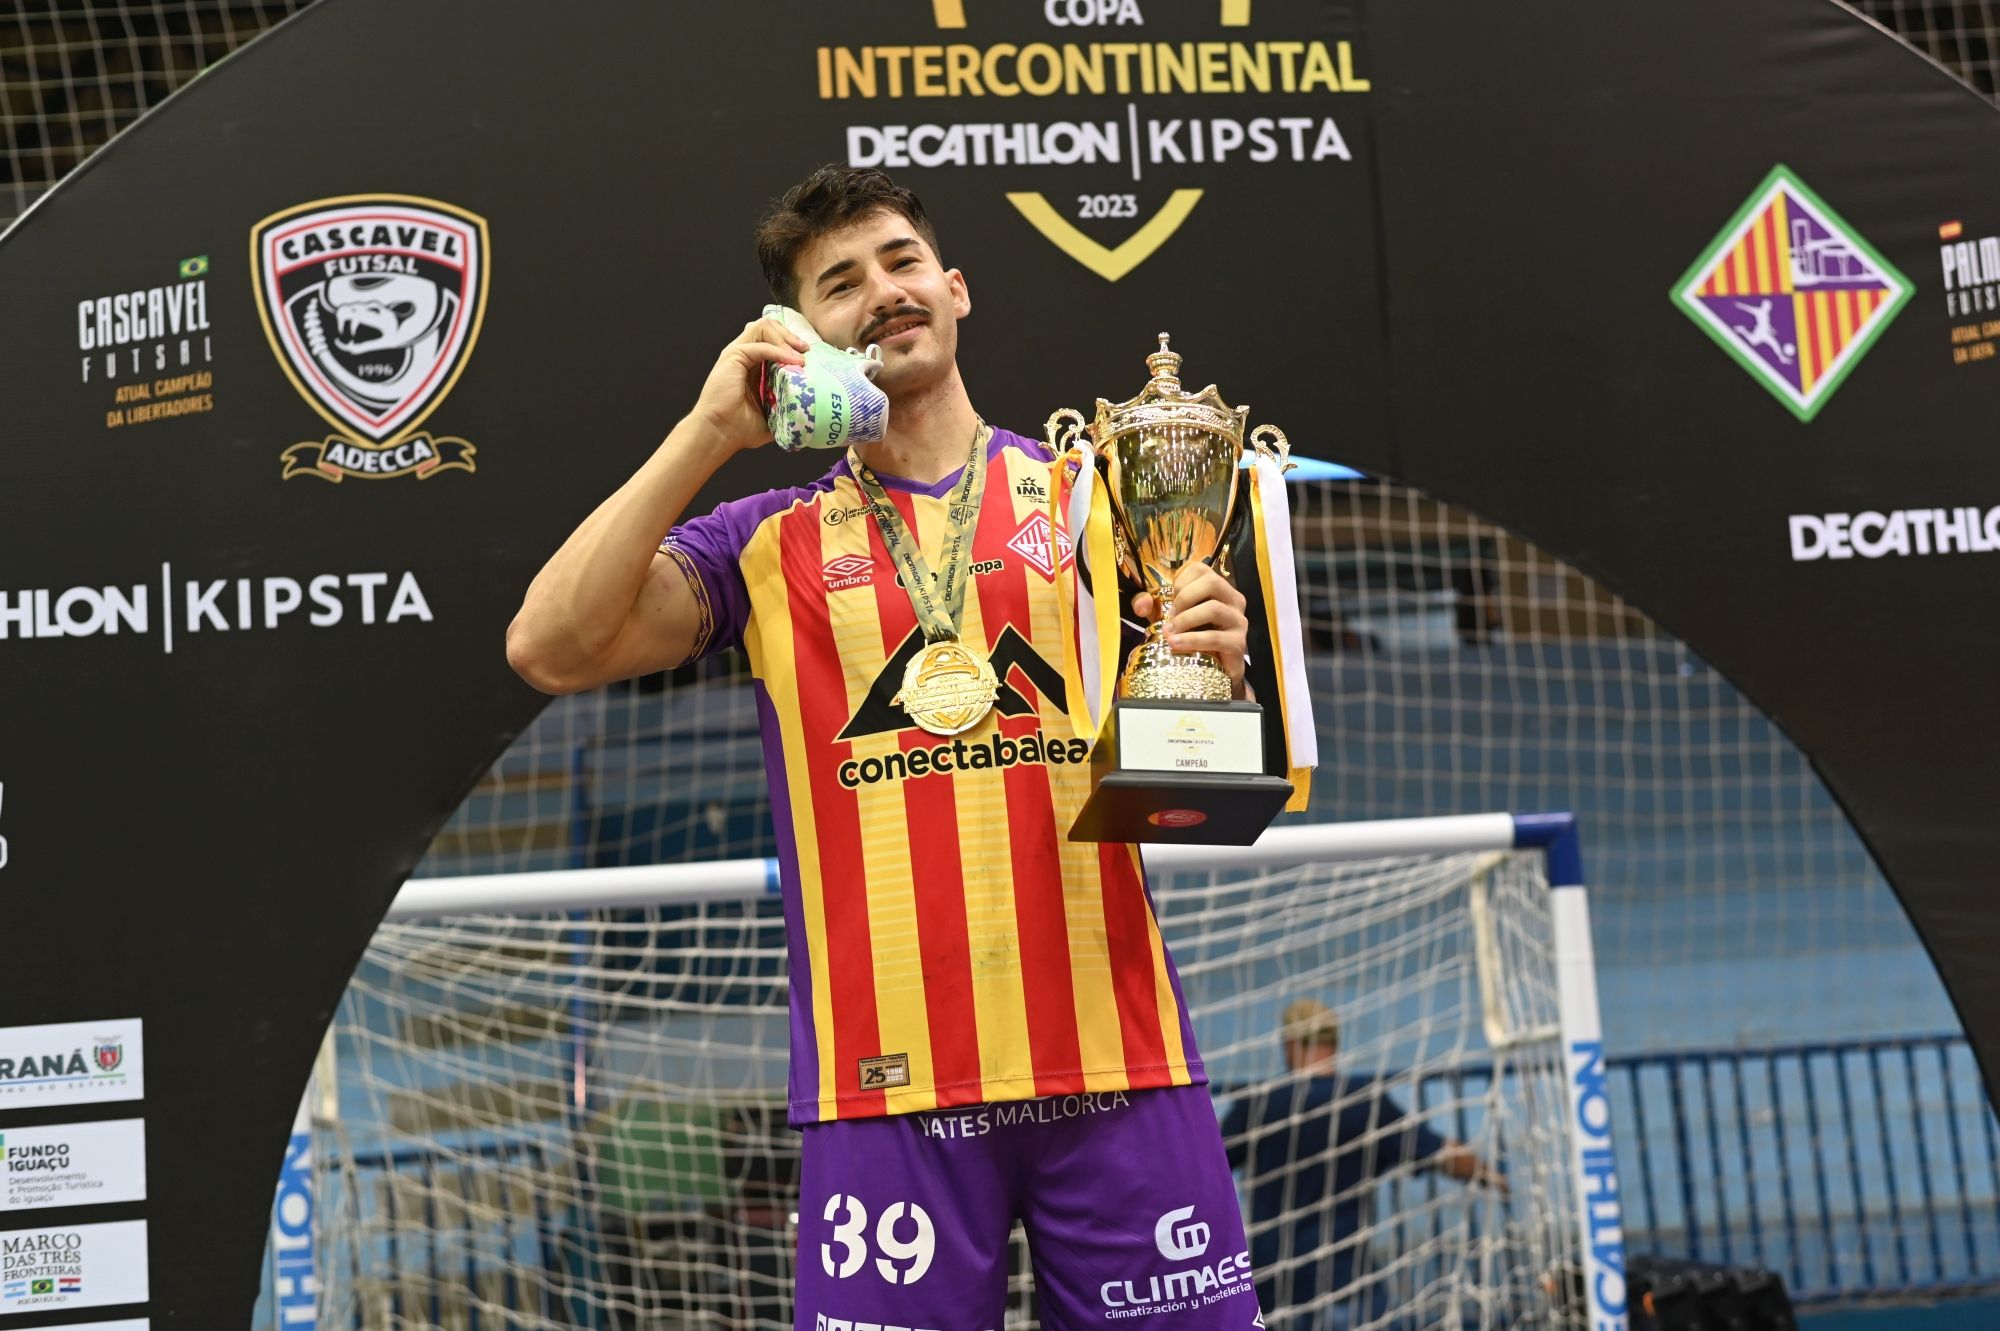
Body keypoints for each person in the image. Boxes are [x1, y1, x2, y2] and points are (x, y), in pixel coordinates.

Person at [507, 164, 1266, 1329]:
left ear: (955, 290)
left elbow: (1202, 795)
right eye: (838, 283)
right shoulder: (765, 539)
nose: (882, 292)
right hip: (884, 1092)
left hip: (1119, 1067)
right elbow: (548, 645)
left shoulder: (1097, 499)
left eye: (901, 262)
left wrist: (1218, 674)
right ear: (801, 338)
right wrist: (711, 428)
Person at [1219, 1000, 1503, 1330]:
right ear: (1335, 1043)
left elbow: (1209, 1169)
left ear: (1290, 1044)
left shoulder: (1257, 1102)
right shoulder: (1364, 1101)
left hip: (1276, 1285)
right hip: (1348, 1280)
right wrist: (1491, 1175)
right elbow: (1439, 1152)